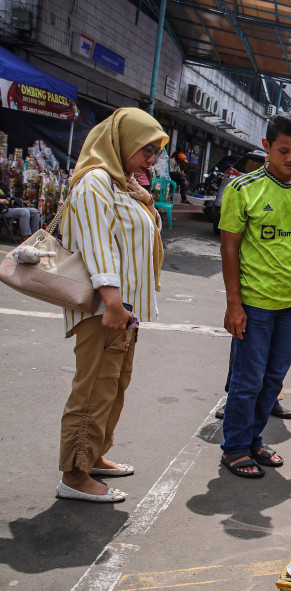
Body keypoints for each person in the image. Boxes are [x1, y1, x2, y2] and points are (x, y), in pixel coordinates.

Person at [53, 108, 168, 502]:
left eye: (155, 153)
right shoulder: (95, 183)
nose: (151, 160)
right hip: (105, 311)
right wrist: (114, 304)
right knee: (93, 390)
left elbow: (141, 234)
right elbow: (97, 246)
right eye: (146, 150)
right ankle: (74, 473)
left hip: (123, 311)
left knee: (114, 385)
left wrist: (147, 201)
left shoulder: (122, 184)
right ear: (122, 142)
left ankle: (94, 454)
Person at [218, 111, 291, 478]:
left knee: (274, 378)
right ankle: (234, 448)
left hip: (290, 305)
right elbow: (229, 248)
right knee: (247, 380)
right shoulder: (243, 189)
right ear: (267, 146)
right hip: (254, 304)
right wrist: (234, 304)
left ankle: (253, 440)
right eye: (284, 151)